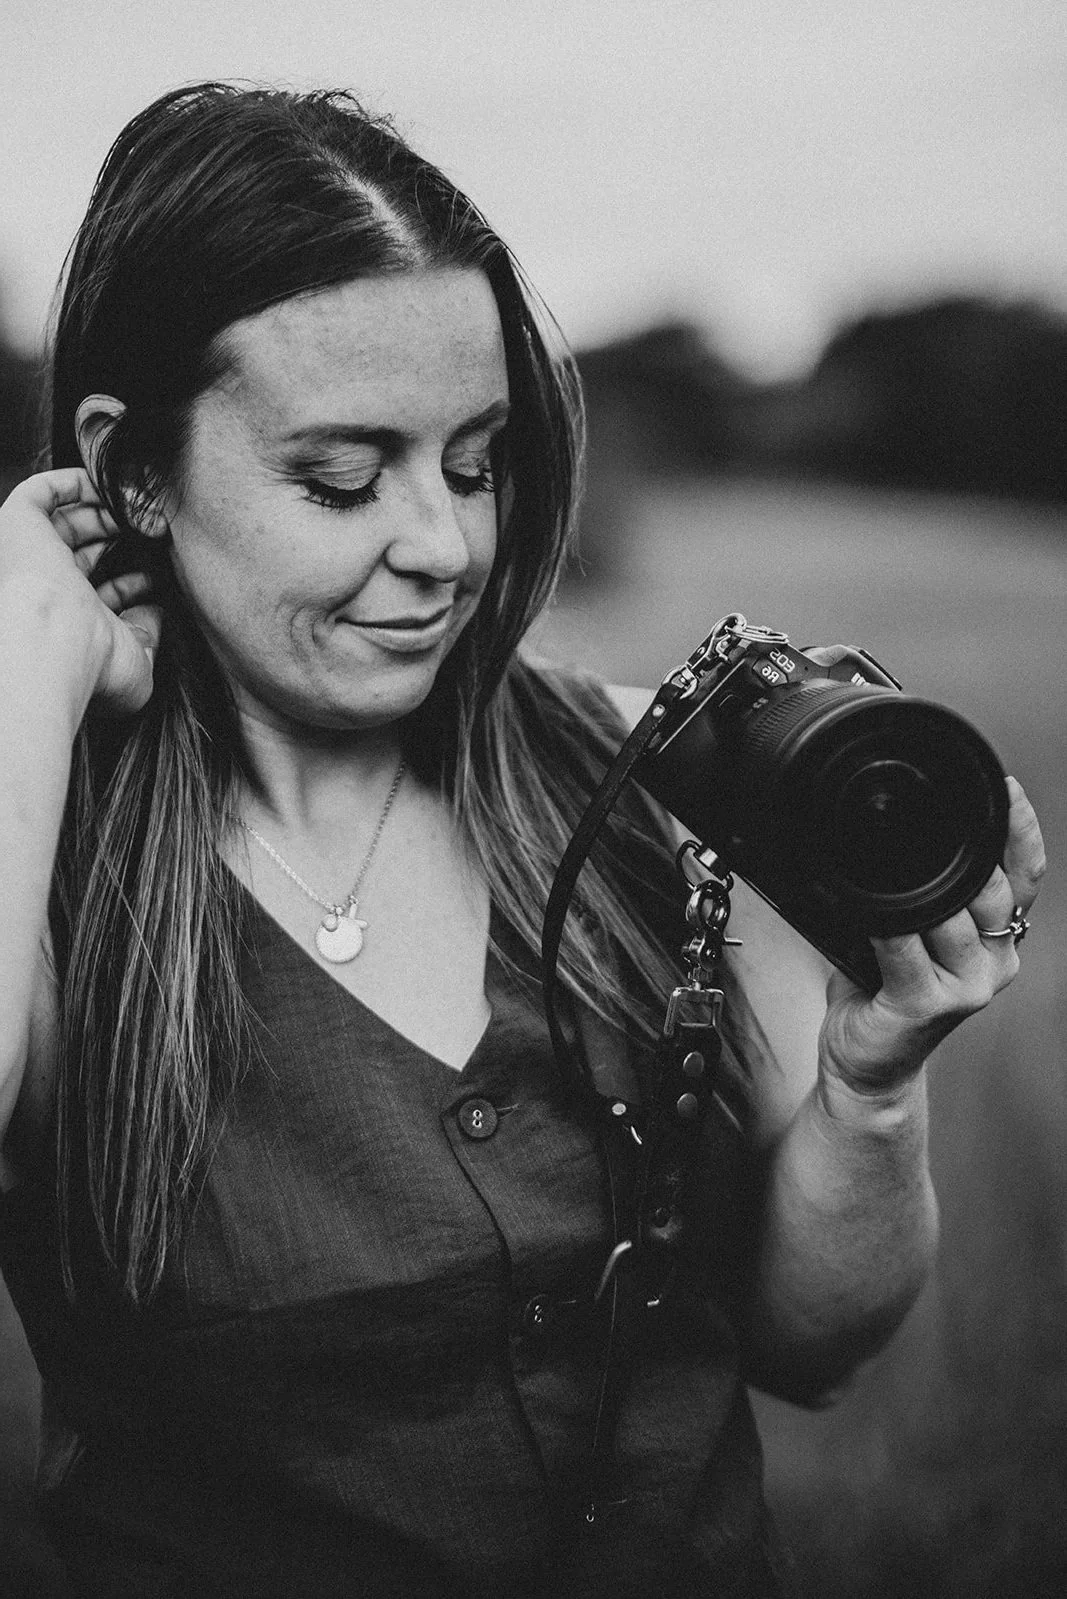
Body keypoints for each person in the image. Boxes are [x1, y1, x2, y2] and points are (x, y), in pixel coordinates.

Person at [0, 82, 1044, 1599]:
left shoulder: (635, 776)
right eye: (341, 478)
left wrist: (872, 1085)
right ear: (135, 468)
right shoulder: (44, 849)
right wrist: (24, 662)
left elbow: (812, 1354)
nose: (443, 547)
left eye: (474, 462)